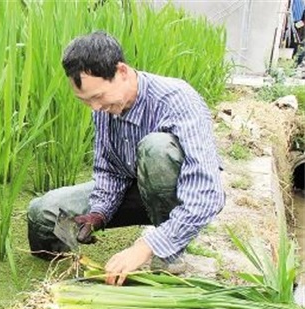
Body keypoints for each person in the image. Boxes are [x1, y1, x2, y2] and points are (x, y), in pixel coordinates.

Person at [27, 31, 225, 286]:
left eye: (98, 97)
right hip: (134, 195)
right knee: (43, 211)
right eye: (85, 101)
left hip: (175, 196)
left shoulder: (176, 99)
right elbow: (109, 169)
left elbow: (208, 194)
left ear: (121, 71)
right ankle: (63, 265)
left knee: (156, 147)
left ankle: (170, 251)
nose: (95, 108)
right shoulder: (104, 106)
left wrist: (145, 246)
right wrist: (98, 213)